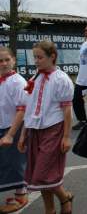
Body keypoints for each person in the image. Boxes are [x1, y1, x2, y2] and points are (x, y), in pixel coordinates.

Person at [18, 41, 74, 214]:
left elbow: (67, 111)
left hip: (53, 129)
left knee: (43, 174)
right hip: (35, 130)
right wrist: (23, 135)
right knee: (39, 175)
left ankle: (64, 197)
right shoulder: (35, 78)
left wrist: (66, 136)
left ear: (52, 57)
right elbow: (29, 109)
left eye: (40, 57)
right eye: (34, 57)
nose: (36, 60)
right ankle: (49, 209)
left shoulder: (61, 79)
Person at [0, 47, 29, 213]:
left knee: (15, 162)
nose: (3, 64)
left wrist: (11, 134)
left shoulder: (18, 82)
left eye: (6, 60)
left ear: (14, 61)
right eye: (0, 61)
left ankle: (21, 194)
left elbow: (22, 109)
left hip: (13, 128)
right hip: (2, 125)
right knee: (4, 163)